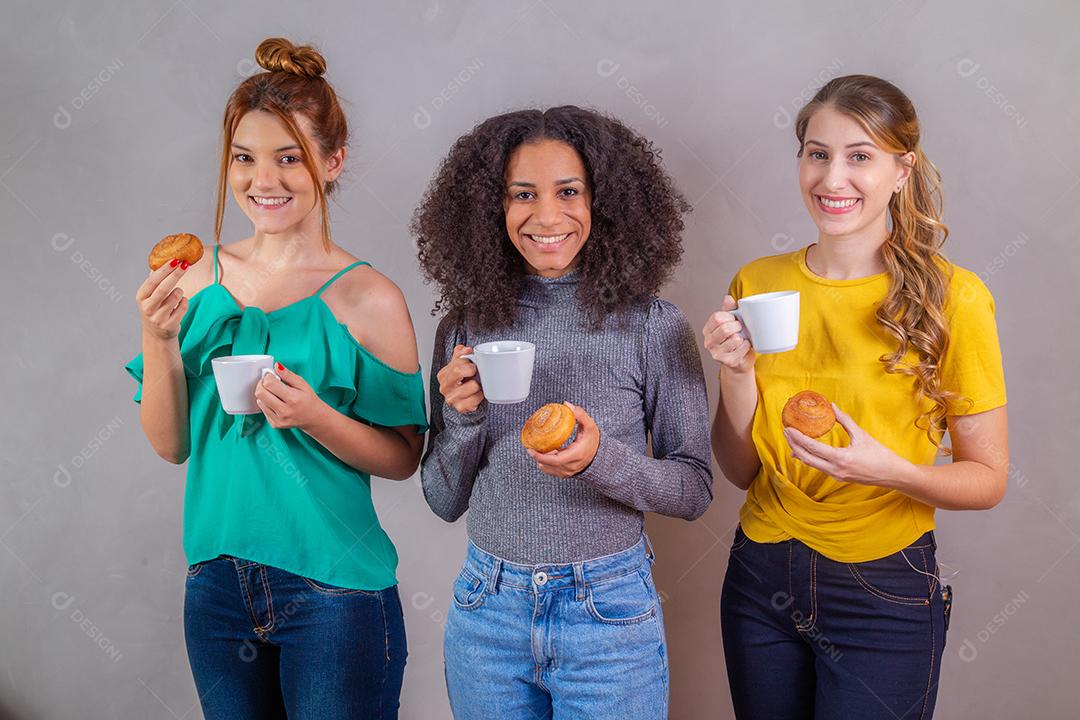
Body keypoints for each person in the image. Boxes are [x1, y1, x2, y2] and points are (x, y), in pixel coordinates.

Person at [124, 38, 426, 719]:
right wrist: (157, 338)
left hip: (336, 594)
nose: (265, 180)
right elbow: (171, 445)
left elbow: (406, 456)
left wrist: (316, 416)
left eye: (289, 157)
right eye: (245, 158)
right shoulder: (193, 276)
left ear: (332, 161)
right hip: (217, 589)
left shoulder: (368, 298)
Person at [705, 75, 1008, 719]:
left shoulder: (954, 299)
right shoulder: (758, 283)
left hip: (884, 587)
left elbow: (989, 480)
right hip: (761, 572)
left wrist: (890, 471)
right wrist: (736, 374)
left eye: (859, 156)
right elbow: (740, 471)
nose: (831, 177)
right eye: (817, 153)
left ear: (904, 169)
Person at [414, 106, 712, 719]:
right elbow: (443, 500)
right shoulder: (463, 329)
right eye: (522, 195)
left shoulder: (653, 328)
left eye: (569, 192)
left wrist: (601, 460)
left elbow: (694, 489)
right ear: (490, 210)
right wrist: (464, 419)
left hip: (608, 616)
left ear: (606, 203)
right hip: (486, 613)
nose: (546, 217)